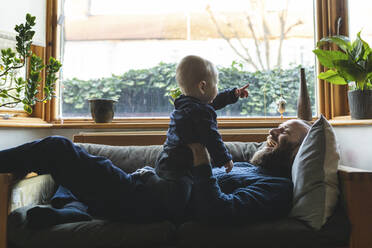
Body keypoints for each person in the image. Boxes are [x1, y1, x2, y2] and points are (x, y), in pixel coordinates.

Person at [0, 119, 310, 228]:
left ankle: (74, 208)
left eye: (284, 133)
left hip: (146, 202)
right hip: (145, 189)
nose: (272, 131)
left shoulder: (277, 189)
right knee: (73, 173)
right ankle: (72, 211)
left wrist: (200, 159)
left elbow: (221, 213)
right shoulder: (248, 166)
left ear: (297, 152)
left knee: (57, 148)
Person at [153, 55, 249, 221]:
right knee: (178, 199)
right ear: (202, 86)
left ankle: (150, 179)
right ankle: (149, 181)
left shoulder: (186, 104)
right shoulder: (200, 112)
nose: (217, 88)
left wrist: (233, 94)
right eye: (216, 84)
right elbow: (211, 137)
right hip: (179, 168)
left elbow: (213, 101)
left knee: (168, 189)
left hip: (167, 160)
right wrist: (225, 158)